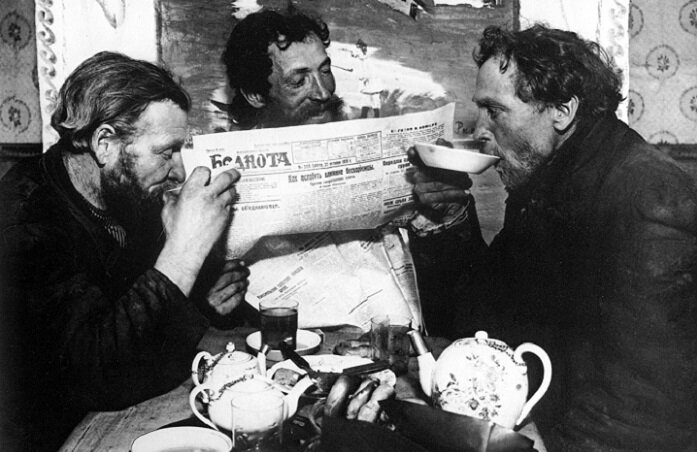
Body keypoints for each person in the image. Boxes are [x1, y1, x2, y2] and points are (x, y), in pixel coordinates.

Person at [410, 24, 697, 450]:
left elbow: (644, 414)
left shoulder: (645, 201)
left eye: (495, 111)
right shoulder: (551, 178)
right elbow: (483, 326)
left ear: (562, 111)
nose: (480, 131)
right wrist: (450, 218)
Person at [0, 52, 250, 451]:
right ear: (105, 144)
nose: (178, 171)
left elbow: (134, 329)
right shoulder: (25, 224)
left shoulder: (125, 194)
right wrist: (184, 250)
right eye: (165, 152)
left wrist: (200, 303)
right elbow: (99, 376)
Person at [220, 7, 482, 335]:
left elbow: (458, 295)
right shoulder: (225, 181)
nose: (323, 92)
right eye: (299, 80)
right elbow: (222, 314)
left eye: (325, 70)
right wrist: (212, 299)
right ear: (256, 95)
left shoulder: (372, 146)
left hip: (403, 347)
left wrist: (449, 217)